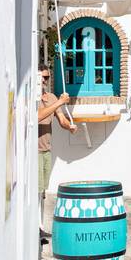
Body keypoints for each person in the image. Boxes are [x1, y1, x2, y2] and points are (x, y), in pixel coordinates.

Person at [37, 61, 75, 244]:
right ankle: (37, 228)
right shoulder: (34, 99)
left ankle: (40, 226)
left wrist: (70, 127)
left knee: (42, 190)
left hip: (46, 149)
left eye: (47, 78)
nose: (45, 81)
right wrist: (60, 101)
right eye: (43, 77)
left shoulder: (50, 97)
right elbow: (37, 116)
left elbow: (61, 119)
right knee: (35, 190)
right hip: (34, 151)